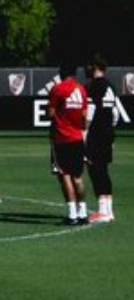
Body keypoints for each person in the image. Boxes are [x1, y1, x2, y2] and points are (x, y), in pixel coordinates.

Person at [48, 60, 90, 225]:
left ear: (61, 73)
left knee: (64, 175)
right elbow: (85, 116)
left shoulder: (58, 89)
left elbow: (51, 113)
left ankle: (72, 214)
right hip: (77, 138)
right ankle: (83, 213)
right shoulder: (81, 89)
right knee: (78, 177)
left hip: (61, 138)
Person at [85, 56, 117, 223]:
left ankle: (103, 211)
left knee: (95, 170)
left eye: (88, 66)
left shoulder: (93, 86)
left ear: (95, 67)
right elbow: (115, 114)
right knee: (103, 169)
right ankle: (108, 210)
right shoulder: (110, 85)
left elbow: (89, 114)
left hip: (96, 134)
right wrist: (109, 129)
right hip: (108, 133)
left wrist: (84, 133)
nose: (86, 69)